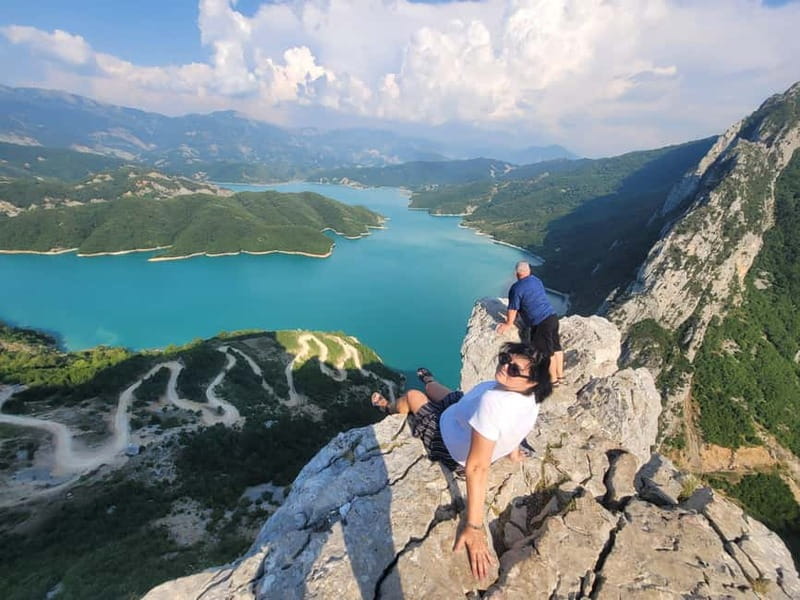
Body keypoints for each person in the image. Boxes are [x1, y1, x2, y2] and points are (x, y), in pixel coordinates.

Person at [370, 343, 552, 580]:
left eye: (515, 369)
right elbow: (514, 428)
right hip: (463, 412)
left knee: (414, 397)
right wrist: (514, 453)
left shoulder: (493, 403)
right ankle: (428, 380)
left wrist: (474, 527)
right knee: (437, 390)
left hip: (446, 440)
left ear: (532, 382)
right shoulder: (529, 399)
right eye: (505, 357)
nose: (505, 366)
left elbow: (477, 467)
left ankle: (387, 407)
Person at [496, 261, 564, 385]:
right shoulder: (536, 280)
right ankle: (560, 376)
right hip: (552, 317)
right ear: (529, 271)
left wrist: (508, 324)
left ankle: (552, 380)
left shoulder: (516, 288)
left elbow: (512, 309)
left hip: (541, 323)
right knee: (556, 348)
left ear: (517, 273)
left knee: (546, 353)